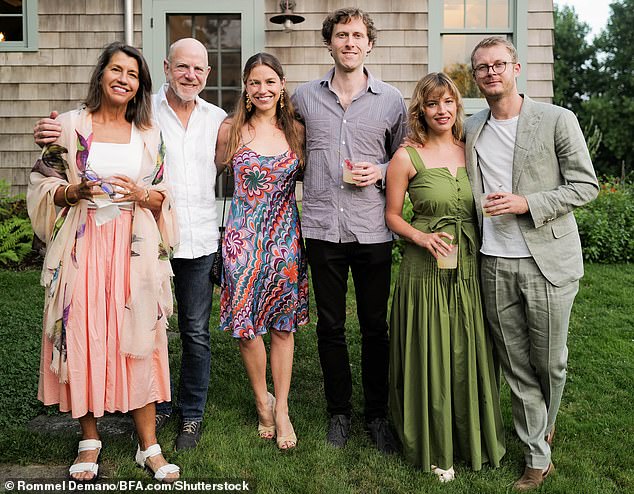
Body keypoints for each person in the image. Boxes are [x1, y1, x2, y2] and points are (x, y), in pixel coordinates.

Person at [34, 38, 227, 451]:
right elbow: (50, 170)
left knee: (187, 331)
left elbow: (164, 186)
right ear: (166, 67)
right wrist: (71, 187)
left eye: (198, 68)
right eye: (181, 66)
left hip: (176, 239)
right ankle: (108, 422)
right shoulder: (110, 120)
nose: (190, 75)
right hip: (99, 243)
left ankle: (186, 414)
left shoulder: (213, 119)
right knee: (91, 326)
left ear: (207, 74)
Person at [27, 42, 179, 482]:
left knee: (141, 335)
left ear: (139, 86)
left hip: (134, 250)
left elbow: (162, 194)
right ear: (102, 74)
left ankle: (148, 445)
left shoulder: (149, 134)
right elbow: (43, 179)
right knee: (83, 332)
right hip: (84, 245)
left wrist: (139, 195)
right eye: (117, 70)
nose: (124, 79)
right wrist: (72, 193)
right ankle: (89, 439)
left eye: (132, 74)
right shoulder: (72, 125)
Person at [465, 37, 598, 491]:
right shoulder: (472, 126)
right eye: (482, 67)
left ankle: (543, 425)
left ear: (516, 68)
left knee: (551, 364)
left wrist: (527, 202)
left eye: (498, 64)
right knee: (516, 364)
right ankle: (537, 456)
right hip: (493, 261)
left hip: (549, 260)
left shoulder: (558, 119)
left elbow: (586, 186)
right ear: (475, 75)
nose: (490, 73)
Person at [291, 7, 407, 452]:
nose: (350, 42)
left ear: (369, 44)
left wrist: (378, 170)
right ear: (330, 43)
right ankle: (339, 412)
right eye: (342, 35)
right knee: (331, 325)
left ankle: (377, 415)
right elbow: (282, 145)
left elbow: (403, 161)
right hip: (322, 228)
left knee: (376, 327)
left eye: (358, 35)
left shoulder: (392, 100)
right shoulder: (303, 97)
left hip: (373, 230)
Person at [386, 73, 505, 482]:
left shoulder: (471, 150)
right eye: (433, 104)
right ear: (421, 109)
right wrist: (421, 236)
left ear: (457, 107)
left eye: (448, 102)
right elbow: (391, 216)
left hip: (469, 267)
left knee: (468, 349)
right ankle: (434, 444)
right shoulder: (406, 156)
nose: (441, 110)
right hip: (424, 272)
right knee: (432, 350)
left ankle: (474, 438)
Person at [215, 52, 308, 450]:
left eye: (270, 81)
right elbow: (201, 171)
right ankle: (261, 400)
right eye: (255, 82)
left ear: (282, 85)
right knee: (247, 326)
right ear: (246, 88)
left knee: (283, 326)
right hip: (242, 239)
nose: (263, 89)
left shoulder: (298, 132)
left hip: (285, 239)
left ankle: (282, 407)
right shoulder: (230, 130)